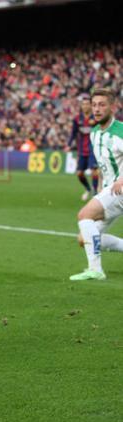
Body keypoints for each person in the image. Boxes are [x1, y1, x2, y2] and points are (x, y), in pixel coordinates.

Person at [70, 88, 123, 281]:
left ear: (113, 107)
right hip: (111, 190)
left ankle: (96, 270)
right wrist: (101, 185)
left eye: (102, 105)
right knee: (84, 238)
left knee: (84, 215)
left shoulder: (121, 131)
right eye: (94, 105)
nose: (97, 109)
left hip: (121, 189)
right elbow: (103, 164)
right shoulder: (94, 133)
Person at [68, 94, 99, 200]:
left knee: (94, 171)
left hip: (93, 149)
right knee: (79, 173)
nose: (85, 106)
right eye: (83, 104)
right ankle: (88, 189)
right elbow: (73, 133)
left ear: (91, 105)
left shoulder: (96, 118)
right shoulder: (77, 119)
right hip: (82, 150)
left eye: (87, 104)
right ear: (81, 106)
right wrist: (69, 144)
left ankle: (95, 193)